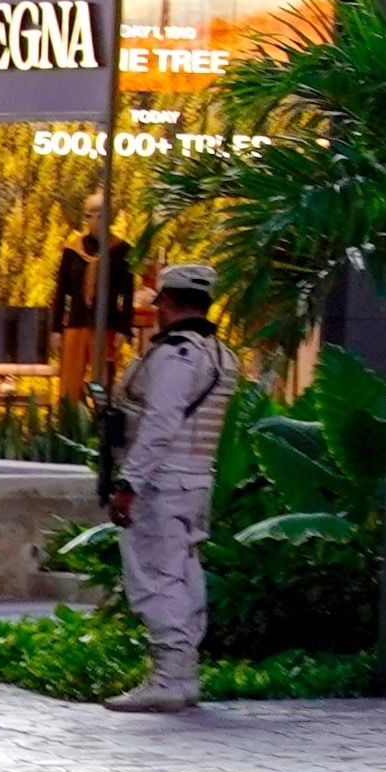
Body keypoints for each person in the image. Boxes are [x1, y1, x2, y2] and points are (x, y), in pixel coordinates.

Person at [95, 266, 240, 716]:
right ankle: (183, 676)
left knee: (156, 579)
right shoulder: (220, 354)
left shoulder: (177, 354)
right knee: (184, 578)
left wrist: (128, 484)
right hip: (195, 479)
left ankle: (166, 678)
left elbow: (160, 424)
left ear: (169, 304)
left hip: (162, 481)